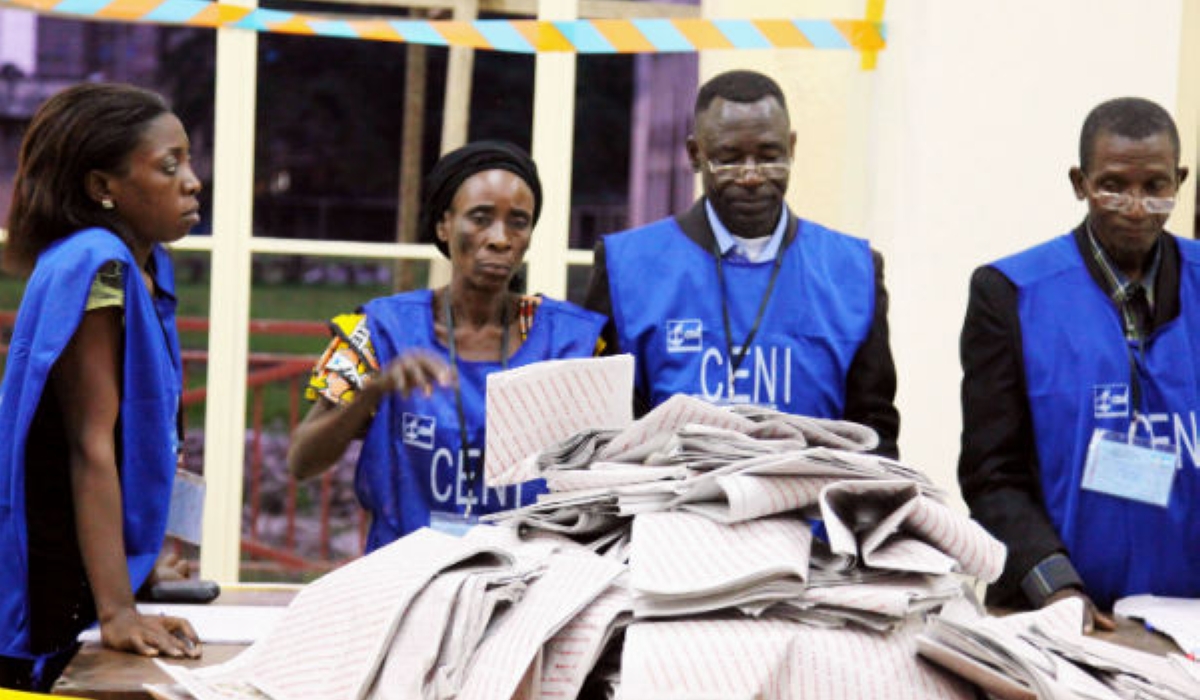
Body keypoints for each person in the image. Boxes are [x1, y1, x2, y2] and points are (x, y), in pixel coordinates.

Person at [287, 140, 606, 551]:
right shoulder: (377, 332)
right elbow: (301, 461)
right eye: (481, 218)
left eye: (518, 222)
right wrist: (373, 392)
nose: (500, 238)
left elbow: (612, 482)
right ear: (443, 225)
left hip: (531, 586)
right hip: (404, 584)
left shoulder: (577, 343)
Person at [958, 96, 1198, 628]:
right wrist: (1053, 585)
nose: (1136, 207)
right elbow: (991, 476)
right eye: (1113, 185)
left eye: (1156, 187)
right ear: (1080, 183)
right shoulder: (1009, 293)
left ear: (1179, 182)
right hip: (1059, 615)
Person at [0, 83, 202, 691]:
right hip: (49, 589)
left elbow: (140, 431)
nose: (192, 180)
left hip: (91, 576)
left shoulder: (142, 264)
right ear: (101, 188)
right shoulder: (97, 266)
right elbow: (89, 445)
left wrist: (136, 581)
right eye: (170, 166)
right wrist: (117, 612)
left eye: (189, 160)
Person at [583, 69, 900, 457]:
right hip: (671, 513)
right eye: (729, 160)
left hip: (812, 511)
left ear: (792, 147)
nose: (751, 177)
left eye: (769, 157)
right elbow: (602, 432)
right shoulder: (626, 266)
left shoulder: (854, 270)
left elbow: (875, 436)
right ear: (695, 154)